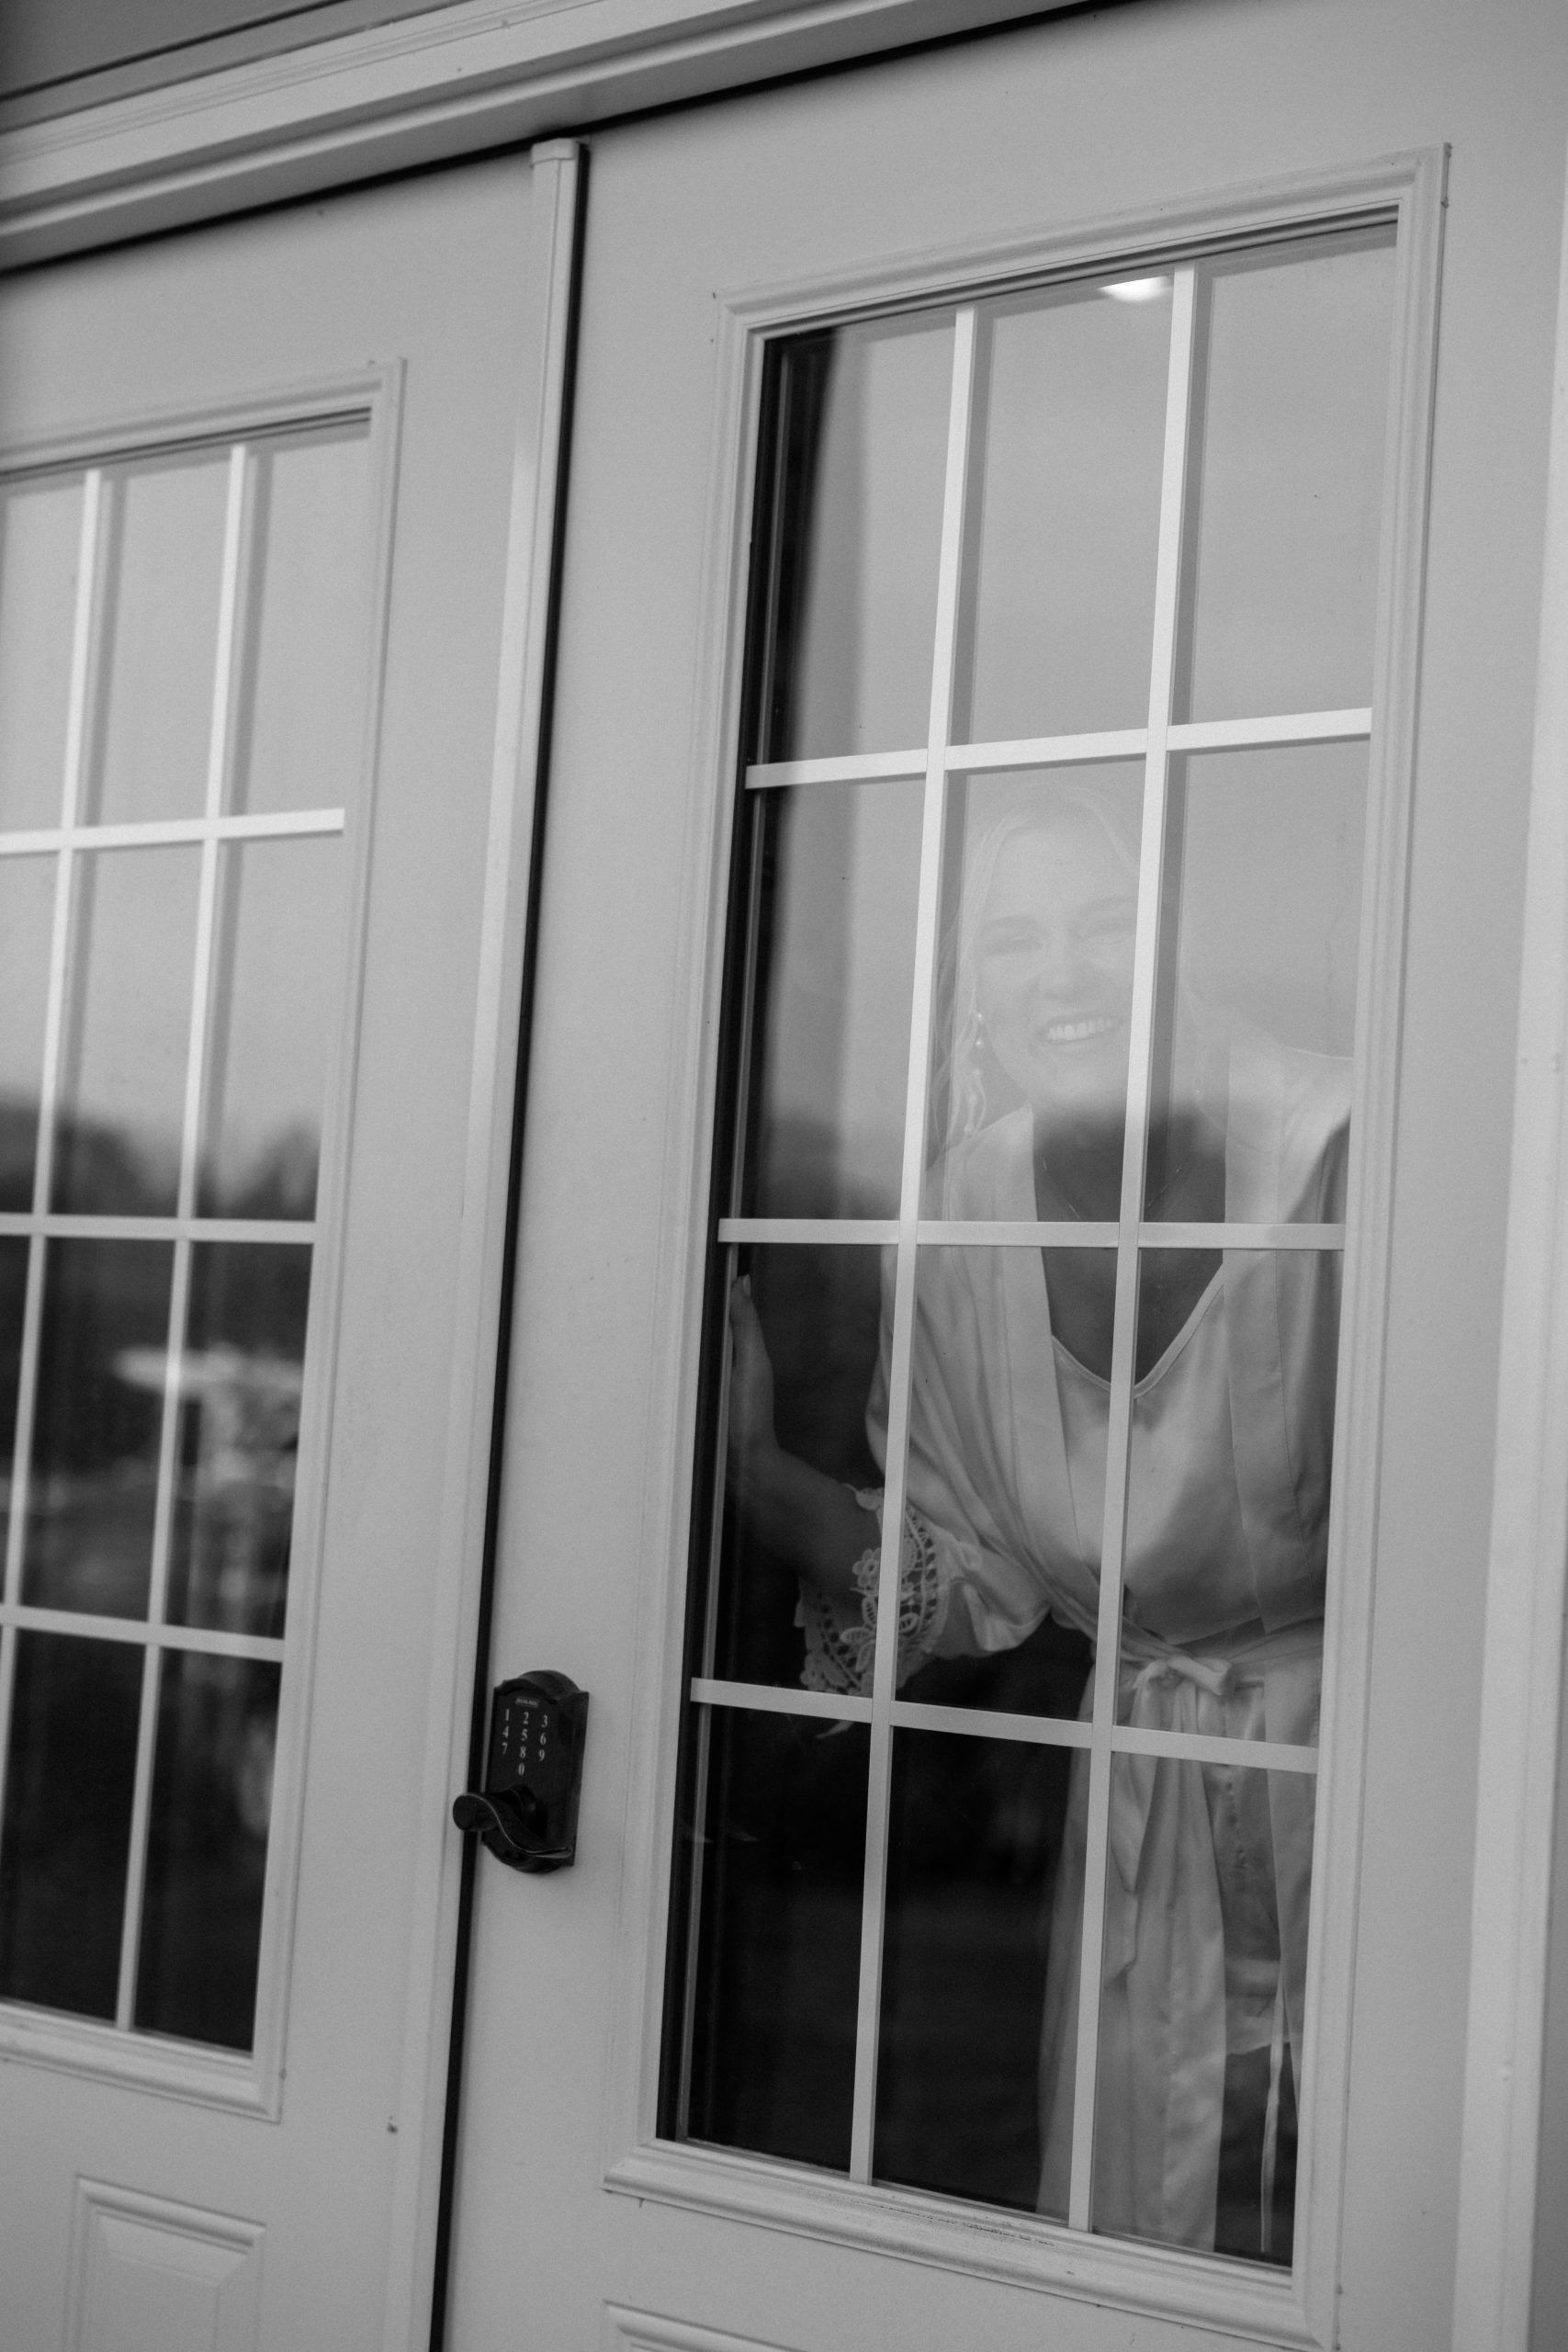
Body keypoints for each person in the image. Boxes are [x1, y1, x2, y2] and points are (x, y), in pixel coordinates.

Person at [726, 778, 1347, 2260]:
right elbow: (971, 1579)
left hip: (1380, 1796)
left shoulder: (1350, 1146)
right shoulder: (960, 1218)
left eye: (1106, 923)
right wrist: (754, 1468)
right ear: (971, 989)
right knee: (1155, 2244)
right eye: (1015, 943)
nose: (1063, 975)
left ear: (1174, 943)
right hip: (1145, 1819)